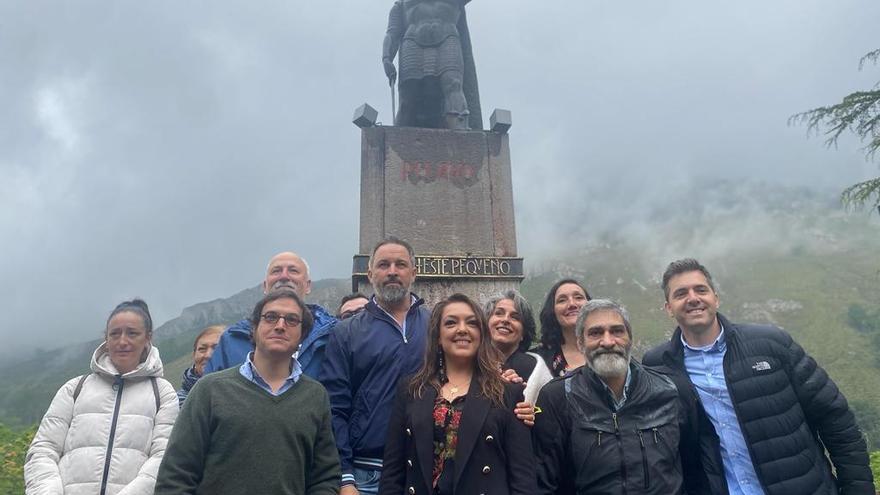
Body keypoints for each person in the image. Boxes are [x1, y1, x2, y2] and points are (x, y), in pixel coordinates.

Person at [643, 258, 875, 494]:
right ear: (669, 308)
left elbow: (834, 417)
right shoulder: (658, 366)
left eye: (701, 290)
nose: (693, 298)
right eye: (681, 293)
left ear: (716, 297)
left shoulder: (771, 343)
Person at [154, 289, 341, 495]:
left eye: (291, 320)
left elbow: (325, 477)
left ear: (302, 335)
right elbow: (175, 474)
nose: (280, 326)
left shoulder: (315, 396)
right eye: (270, 317)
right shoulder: (210, 390)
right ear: (254, 328)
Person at [533, 299, 709, 494]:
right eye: (595, 333)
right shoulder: (557, 397)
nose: (608, 342)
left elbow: (697, 470)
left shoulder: (673, 389)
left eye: (617, 331)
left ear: (630, 339)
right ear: (581, 343)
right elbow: (546, 482)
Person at [380, 293, 537, 495]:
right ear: (437, 336)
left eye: (472, 323)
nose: (462, 330)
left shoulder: (508, 392)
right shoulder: (410, 390)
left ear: (482, 335)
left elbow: (523, 480)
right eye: (451, 323)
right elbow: (392, 473)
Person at [25, 299, 179, 495]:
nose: (122, 341)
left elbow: (163, 457)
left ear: (148, 338)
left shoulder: (162, 393)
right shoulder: (75, 388)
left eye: (132, 333)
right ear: (106, 339)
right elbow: (43, 450)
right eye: (115, 334)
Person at [321, 237, 431, 495]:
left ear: (413, 273)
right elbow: (334, 407)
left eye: (400, 264)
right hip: (367, 473)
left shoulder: (436, 325)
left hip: (428, 465)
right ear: (370, 274)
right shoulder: (346, 332)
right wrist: (345, 477)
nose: (392, 271)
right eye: (384, 265)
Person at [203, 251, 336, 379]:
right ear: (265, 286)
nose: (284, 276)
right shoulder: (232, 340)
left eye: (293, 270)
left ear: (308, 285)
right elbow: (209, 393)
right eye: (276, 271)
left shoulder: (333, 336)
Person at [382, 0, 482, 130]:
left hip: (447, 37)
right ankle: (397, 139)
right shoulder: (402, 3)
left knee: (453, 84)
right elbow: (392, 32)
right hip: (413, 41)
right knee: (408, 96)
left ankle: (461, 134)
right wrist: (386, 57)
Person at [484, 290, 553, 404]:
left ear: (523, 334)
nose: (505, 320)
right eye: (499, 313)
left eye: (515, 317)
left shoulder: (536, 369)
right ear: (486, 323)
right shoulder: (469, 364)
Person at [531, 279, 591, 377]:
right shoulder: (537, 360)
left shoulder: (611, 347)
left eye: (578, 297)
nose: (572, 304)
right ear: (552, 311)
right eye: (562, 300)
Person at [176, 324, 223, 406]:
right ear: (194, 355)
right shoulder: (177, 402)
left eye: (216, 348)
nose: (208, 355)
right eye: (202, 349)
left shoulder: (243, 389)